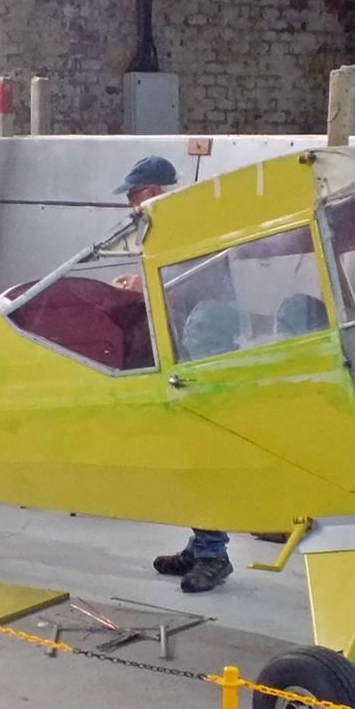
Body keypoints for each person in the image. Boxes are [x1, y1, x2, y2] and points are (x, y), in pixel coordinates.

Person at [111, 155, 234, 594]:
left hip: (204, 354)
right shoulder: (180, 222)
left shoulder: (188, 224)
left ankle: (212, 554)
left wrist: (145, 286)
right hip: (188, 347)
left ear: (156, 192)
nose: (131, 205)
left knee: (202, 456)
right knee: (190, 456)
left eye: (135, 195)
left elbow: (190, 281)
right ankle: (202, 542)